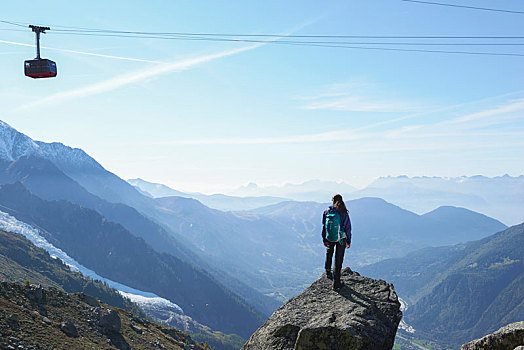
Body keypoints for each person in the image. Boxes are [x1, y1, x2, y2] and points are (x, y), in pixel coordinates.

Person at [322, 194, 352, 290]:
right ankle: (336, 283)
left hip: (330, 237)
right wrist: (348, 241)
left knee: (329, 251)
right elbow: (348, 228)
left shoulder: (327, 211)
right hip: (341, 238)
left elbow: (324, 226)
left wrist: (324, 238)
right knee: (338, 259)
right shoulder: (344, 213)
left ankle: (327, 270)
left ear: (333, 201)